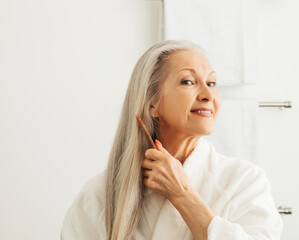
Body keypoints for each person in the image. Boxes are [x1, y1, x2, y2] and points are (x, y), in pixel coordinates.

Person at [61, 40, 283, 240]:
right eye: (188, 82)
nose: (208, 95)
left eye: (212, 83)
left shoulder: (244, 182)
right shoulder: (100, 194)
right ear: (152, 103)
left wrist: (183, 194)